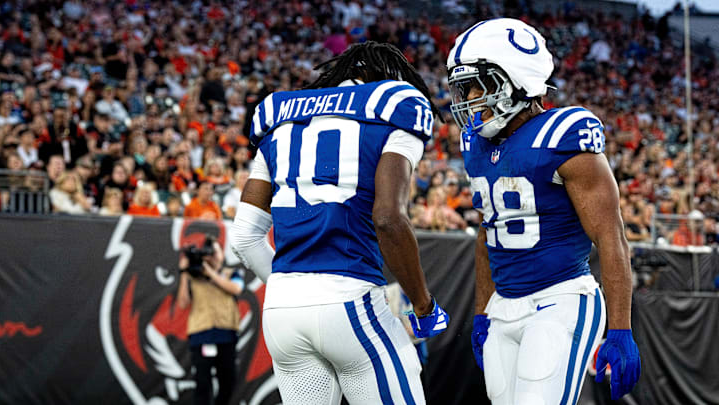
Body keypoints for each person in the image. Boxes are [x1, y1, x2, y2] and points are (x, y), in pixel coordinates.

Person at [231, 41, 449, 405]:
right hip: (350, 300)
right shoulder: (393, 107)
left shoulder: (280, 119)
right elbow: (388, 219)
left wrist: (297, 290)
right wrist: (423, 306)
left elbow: (243, 238)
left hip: (282, 310)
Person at [447, 18, 640, 404]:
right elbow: (488, 232)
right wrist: (482, 311)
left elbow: (610, 236)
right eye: (462, 87)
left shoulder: (563, 133)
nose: (468, 98)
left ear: (513, 81)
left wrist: (621, 328)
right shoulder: (477, 146)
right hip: (504, 306)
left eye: (476, 85)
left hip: (561, 300)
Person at [176, 234, 243, 405]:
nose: (212, 256)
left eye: (215, 251)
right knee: (202, 383)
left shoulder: (232, 273)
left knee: (228, 381)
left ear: (222, 253)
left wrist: (210, 273)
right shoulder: (193, 276)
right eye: (208, 252)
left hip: (226, 334)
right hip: (202, 334)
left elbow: (236, 289)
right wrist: (184, 272)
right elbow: (182, 303)